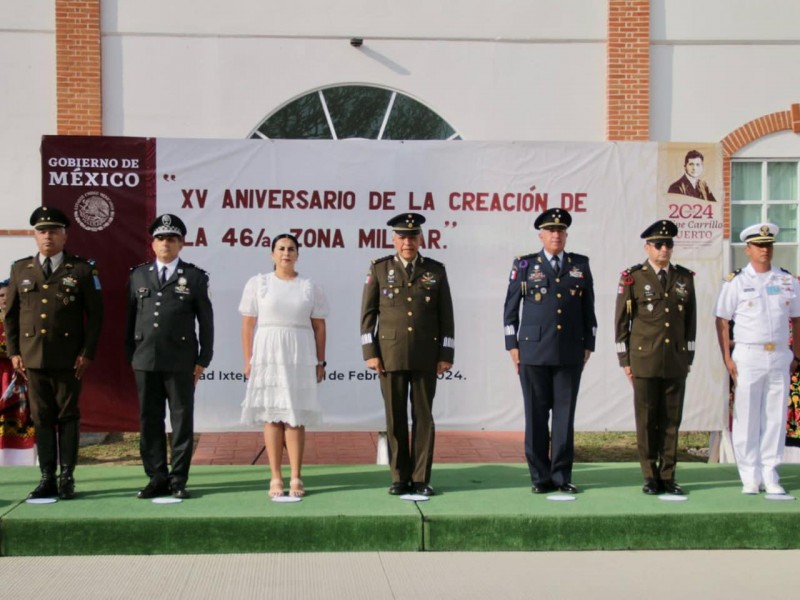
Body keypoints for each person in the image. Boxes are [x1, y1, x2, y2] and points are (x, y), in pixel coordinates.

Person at [4, 206, 103, 498]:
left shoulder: (82, 269)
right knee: (42, 417)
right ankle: (47, 475)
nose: (47, 236)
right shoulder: (20, 269)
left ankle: (67, 476)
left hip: (69, 358)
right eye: (42, 231)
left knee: (68, 416)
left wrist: (87, 353)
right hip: (32, 357)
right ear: (35, 236)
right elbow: (10, 315)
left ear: (65, 235)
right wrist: (14, 352)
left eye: (54, 231)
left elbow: (96, 315)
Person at [360, 213, 454, 497]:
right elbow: (368, 315)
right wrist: (370, 351)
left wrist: (446, 352)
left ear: (420, 239)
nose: (407, 242)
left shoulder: (436, 270)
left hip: (427, 353)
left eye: (413, 237)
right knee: (395, 417)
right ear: (394, 239)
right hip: (390, 354)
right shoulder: (379, 269)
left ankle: (421, 478)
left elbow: (446, 316)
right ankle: (400, 477)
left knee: (423, 417)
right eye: (402, 237)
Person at [503, 207, 596, 494]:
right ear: (541, 235)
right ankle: (540, 477)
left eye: (561, 231)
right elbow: (510, 310)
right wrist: (512, 345)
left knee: (564, 419)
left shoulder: (580, 264)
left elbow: (587, 308)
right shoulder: (525, 265)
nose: (556, 235)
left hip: (569, 352)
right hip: (533, 352)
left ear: (566, 235)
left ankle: (561, 476)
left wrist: (588, 343)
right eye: (550, 230)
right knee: (535, 417)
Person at [126, 214, 214, 500]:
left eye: (172, 239)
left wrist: (203, 358)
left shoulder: (195, 276)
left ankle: (178, 479)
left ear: (182, 244)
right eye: (161, 238)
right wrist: (132, 354)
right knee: (149, 420)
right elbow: (129, 320)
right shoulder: (138, 275)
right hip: (145, 360)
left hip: (180, 360)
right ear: (152, 243)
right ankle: (156, 477)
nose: (166, 243)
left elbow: (206, 321)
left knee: (181, 420)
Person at [239, 233, 328, 498]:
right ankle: (275, 477)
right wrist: (249, 360)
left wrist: (320, 361)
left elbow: (320, 327)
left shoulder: (309, 287)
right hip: (267, 354)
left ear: (297, 254)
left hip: (299, 354)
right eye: (280, 249)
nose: (286, 253)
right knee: (273, 417)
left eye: (291, 249)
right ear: (272, 254)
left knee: (295, 417)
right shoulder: (258, 284)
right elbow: (248, 325)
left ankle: (296, 477)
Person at [714, 223, 800, 495]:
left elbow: (797, 319)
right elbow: (722, 320)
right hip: (748, 354)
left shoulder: (786, 280)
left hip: (778, 355)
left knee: (775, 416)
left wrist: (796, 353)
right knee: (747, 415)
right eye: (759, 246)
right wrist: (727, 358)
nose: (765, 250)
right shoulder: (737, 281)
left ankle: (771, 472)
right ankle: (749, 474)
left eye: (769, 245)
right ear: (748, 249)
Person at [614, 220, 697, 495]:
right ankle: (650, 476)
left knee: (672, 421)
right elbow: (622, 323)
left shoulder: (684, 278)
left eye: (669, 244)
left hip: (675, 360)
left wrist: (688, 358)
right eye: (659, 244)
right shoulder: (633, 277)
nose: (664, 249)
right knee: (647, 420)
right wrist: (625, 361)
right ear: (647, 247)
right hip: (644, 360)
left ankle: (668, 476)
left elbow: (690, 323)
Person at [0, 278, 36, 465]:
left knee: (24, 416)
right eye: (1, 296)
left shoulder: (24, 320)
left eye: (7, 295)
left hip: (23, 375)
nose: (4, 299)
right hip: (2, 377)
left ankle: (26, 458)